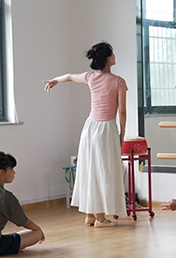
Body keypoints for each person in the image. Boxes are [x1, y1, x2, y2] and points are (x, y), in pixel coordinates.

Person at [44, 42, 127, 227]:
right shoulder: (118, 81)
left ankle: (90, 214)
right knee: (103, 172)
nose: (114, 56)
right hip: (106, 129)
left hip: (89, 128)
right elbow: (122, 111)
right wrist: (122, 133)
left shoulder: (90, 77)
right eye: (113, 54)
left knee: (90, 169)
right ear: (108, 58)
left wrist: (55, 80)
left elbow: (69, 76)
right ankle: (100, 218)